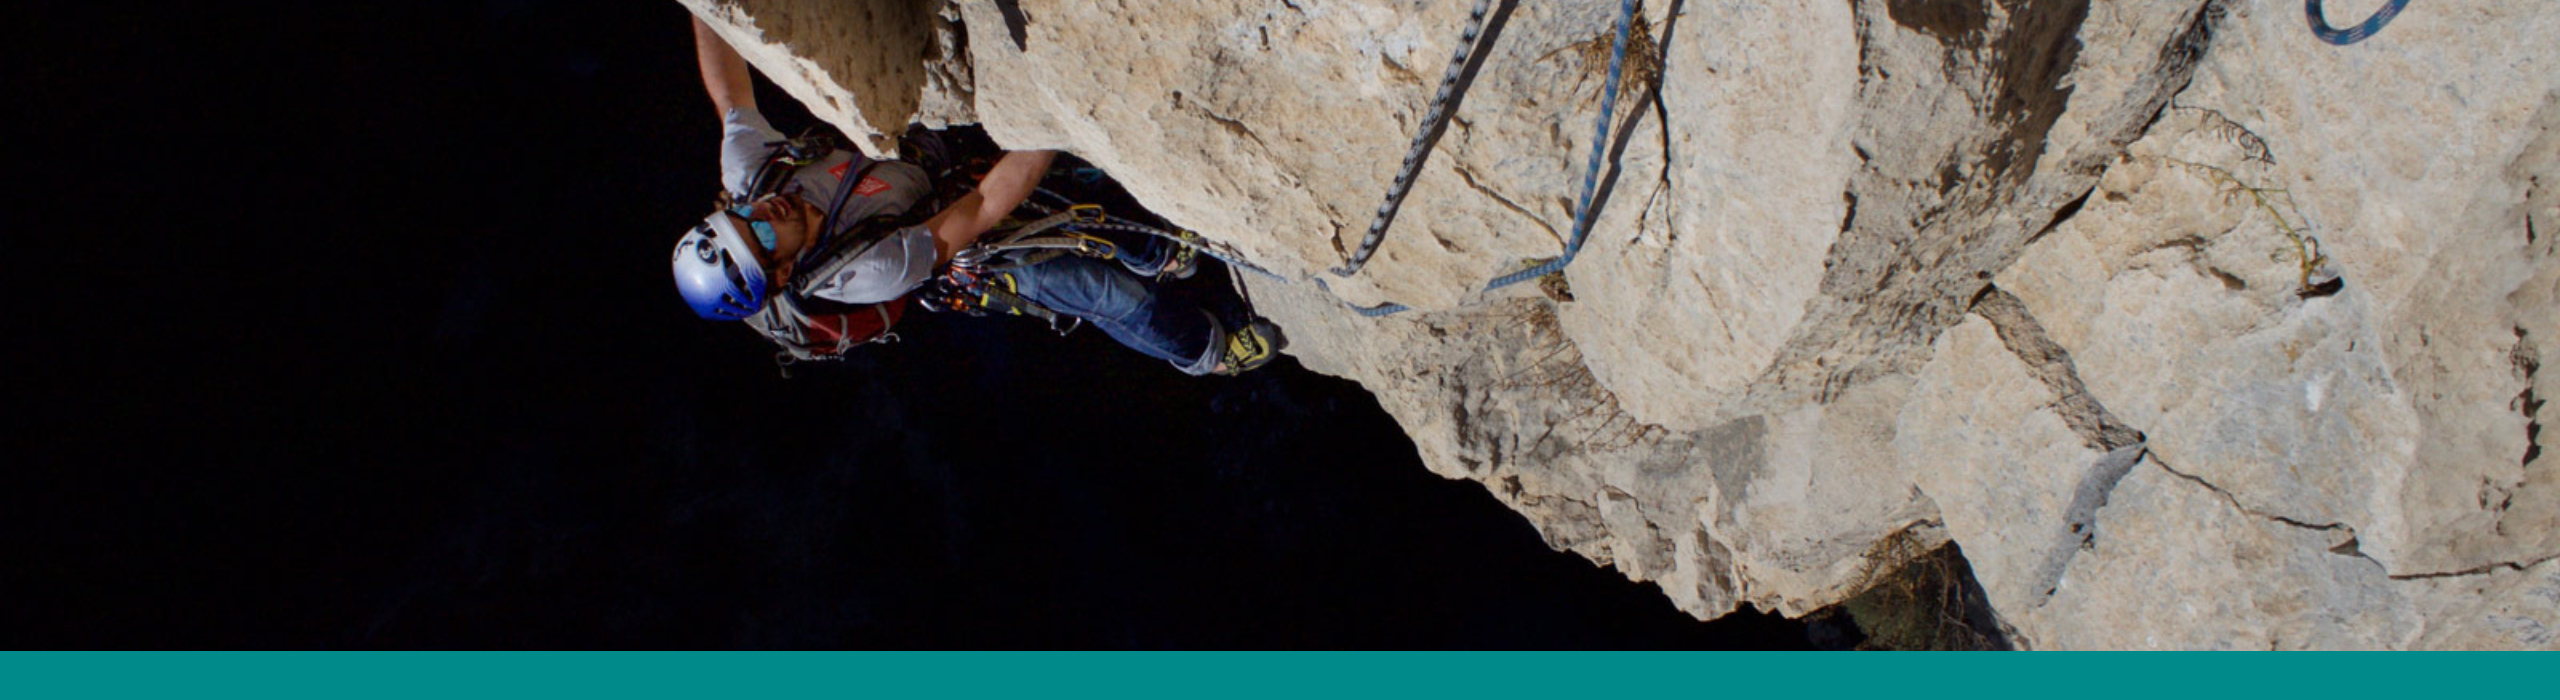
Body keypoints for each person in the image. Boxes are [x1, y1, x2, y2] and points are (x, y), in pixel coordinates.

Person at [671, 16, 1280, 375]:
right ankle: (1207, 350)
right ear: (781, 273)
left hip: (923, 168)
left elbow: (731, 96)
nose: (765, 214)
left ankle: (1158, 252)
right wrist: (1048, 122)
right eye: (765, 236)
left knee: (1078, 193)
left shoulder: (756, 179)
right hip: (956, 245)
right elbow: (982, 210)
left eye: (743, 217)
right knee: (1099, 291)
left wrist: (702, 8)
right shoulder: (867, 270)